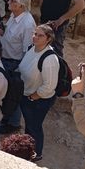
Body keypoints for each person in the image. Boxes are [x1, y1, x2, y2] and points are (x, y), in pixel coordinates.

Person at [18, 25, 59, 161]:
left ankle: (36, 153)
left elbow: (49, 86)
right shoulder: (32, 48)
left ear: (48, 39)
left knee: (34, 127)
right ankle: (27, 149)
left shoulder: (49, 59)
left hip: (38, 100)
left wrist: (32, 97)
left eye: (40, 35)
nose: (35, 37)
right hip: (27, 95)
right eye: (34, 33)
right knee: (29, 126)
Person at [0, 0, 36, 134]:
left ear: (20, 5)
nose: (8, 3)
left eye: (12, 1)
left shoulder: (27, 24)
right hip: (7, 58)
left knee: (15, 93)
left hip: (15, 63)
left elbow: (28, 49)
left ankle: (13, 123)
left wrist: (20, 69)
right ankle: (6, 118)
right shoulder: (14, 16)